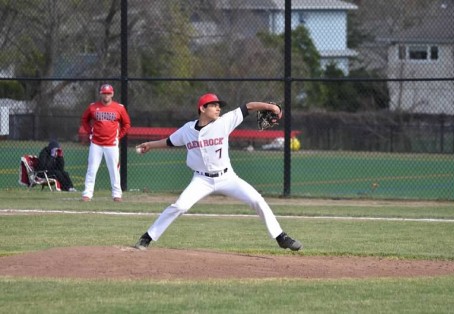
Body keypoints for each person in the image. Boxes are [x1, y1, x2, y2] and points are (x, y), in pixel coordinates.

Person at [133, 93, 302, 251]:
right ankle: (147, 237)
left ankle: (281, 237)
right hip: (201, 180)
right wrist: (150, 145)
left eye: (218, 105)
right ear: (202, 109)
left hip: (227, 177)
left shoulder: (224, 122)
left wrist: (272, 108)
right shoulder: (187, 130)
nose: (218, 108)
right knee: (179, 206)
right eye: (213, 105)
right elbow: (170, 142)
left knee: (257, 200)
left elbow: (248, 106)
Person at [81, 83, 131, 202]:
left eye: (108, 93)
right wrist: (90, 132)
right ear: (101, 94)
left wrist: (119, 136)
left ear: (112, 94)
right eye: (104, 93)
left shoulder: (119, 107)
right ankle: (87, 194)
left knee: (114, 169)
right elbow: (84, 120)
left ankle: (116, 194)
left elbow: (127, 123)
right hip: (96, 143)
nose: (106, 95)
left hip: (111, 144)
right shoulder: (93, 107)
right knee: (92, 169)